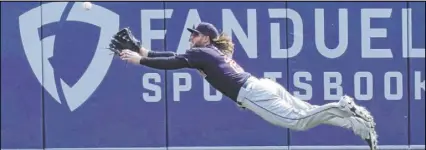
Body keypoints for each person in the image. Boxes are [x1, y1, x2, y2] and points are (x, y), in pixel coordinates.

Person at [119, 22, 378, 150]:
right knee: (308, 113)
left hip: (253, 93)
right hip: (261, 86)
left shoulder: (201, 53)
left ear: (205, 37)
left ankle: (341, 105)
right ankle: (357, 123)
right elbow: (173, 56)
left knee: (299, 121)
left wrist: (141, 60)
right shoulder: (209, 52)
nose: (191, 37)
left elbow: (173, 63)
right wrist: (144, 51)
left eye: (195, 34)